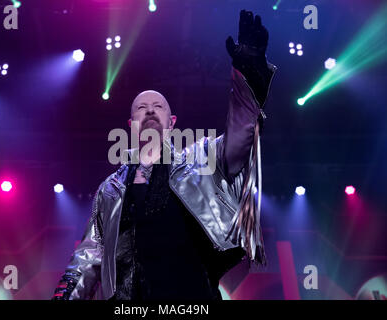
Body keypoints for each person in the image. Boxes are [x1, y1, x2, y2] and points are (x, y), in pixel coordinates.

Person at [53, 9, 276, 300]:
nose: (149, 110)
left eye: (157, 106)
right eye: (141, 108)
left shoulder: (201, 159)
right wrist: (65, 295)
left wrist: (248, 68)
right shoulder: (111, 189)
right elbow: (89, 254)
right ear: (131, 126)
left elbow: (242, 134)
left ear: (171, 124)